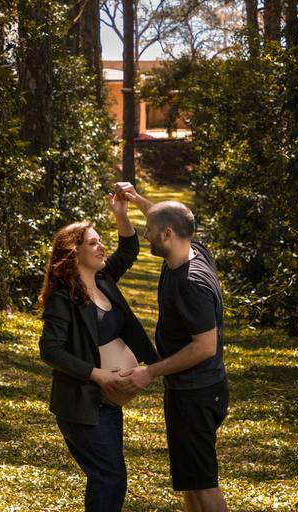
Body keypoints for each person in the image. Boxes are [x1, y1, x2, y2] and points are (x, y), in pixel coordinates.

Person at [38, 190, 159, 512]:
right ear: (72, 252)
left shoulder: (104, 279)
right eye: (93, 243)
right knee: (110, 477)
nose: (101, 246)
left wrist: (121, 211)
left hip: (108, 401)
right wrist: (99, 375)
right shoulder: (63, 298)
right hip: (81, 403)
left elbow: (129, 249)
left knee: (108, 476)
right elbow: (50, 350)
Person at [115, 182, 229, 512]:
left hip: (197, 393)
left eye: (150, 231)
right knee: (190, 482)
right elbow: (166, 217)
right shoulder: (188, 248)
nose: (146, 235)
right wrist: (136, 199)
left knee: (204, 486)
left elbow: (205, 346)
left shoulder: (191, 282)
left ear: (166, 234)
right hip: (190, 390)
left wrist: (149, 371)